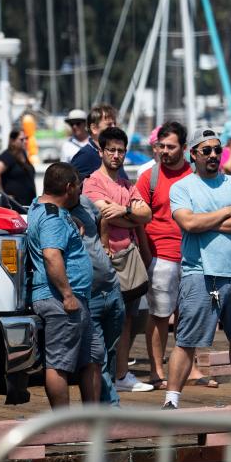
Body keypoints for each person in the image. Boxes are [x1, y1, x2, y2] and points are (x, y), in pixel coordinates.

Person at [162, 128, 231, 409]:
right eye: (206, 150)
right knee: (187, 341)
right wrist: (225, 212)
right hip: (199, 274)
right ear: (192, 154)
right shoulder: (182, 187)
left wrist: (205, 221)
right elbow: (189, 224)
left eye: (217, 150)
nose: (213, 155)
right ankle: (171, 400)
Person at [136, 122, 217, 387]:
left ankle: (190, 368)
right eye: (161, 146)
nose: (164, 151)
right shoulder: (150, 177)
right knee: (159, 315)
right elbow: (139, 219)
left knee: (189, 313)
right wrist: (147, 256)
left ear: (184, 148)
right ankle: (157, 370)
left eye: (171, 147)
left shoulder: (196, 174)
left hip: (193, 255)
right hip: (161, 255)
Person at [82, 126, 156, 393]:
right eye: (111, 150)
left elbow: (146, 214)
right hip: (104, 262)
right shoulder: (91, 182)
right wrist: (130, 215)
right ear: (101, 151)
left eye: (120, 151)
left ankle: (122, 373)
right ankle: (103, 376)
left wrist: (125, 210)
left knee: (126, 319)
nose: (116, 155)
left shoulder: (127, 184)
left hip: (129, 259)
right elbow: (104, 214)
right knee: (103, 319)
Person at [26, 162, 102, 407]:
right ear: (69, 187)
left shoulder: (46, 209)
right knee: (59, 363)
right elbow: (51, 255)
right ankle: (64, 426)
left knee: (92, 356)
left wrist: (70, 221)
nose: (80, 192)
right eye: (79, 187)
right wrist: (67, 295)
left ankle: (92, 420)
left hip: (78, 300)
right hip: (62, 300)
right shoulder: (51, 218)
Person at [69, 192, 126, 405]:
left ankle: (106, 403)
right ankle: (112, 407)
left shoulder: (84, 202)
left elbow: (101, 216)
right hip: (88, 295)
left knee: (110, 351)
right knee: (97, 354)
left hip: (110, 287)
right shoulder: (55, 213)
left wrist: (104, 244)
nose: (78, 190)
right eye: (76, 186)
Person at [0, 129, 36, 206]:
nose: (25, 141)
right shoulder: (8, 155)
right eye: (21, 139)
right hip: (16, 204)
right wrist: (4, 196)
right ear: (12, 141)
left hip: (28, 203)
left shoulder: (23, 153)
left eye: (26, 138)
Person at [71, 104, 118, 180]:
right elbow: (74, 188)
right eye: (109, 125)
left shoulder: (115, 155)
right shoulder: (85, 157)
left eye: (115, 124)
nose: (114, 128)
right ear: (94, 128)